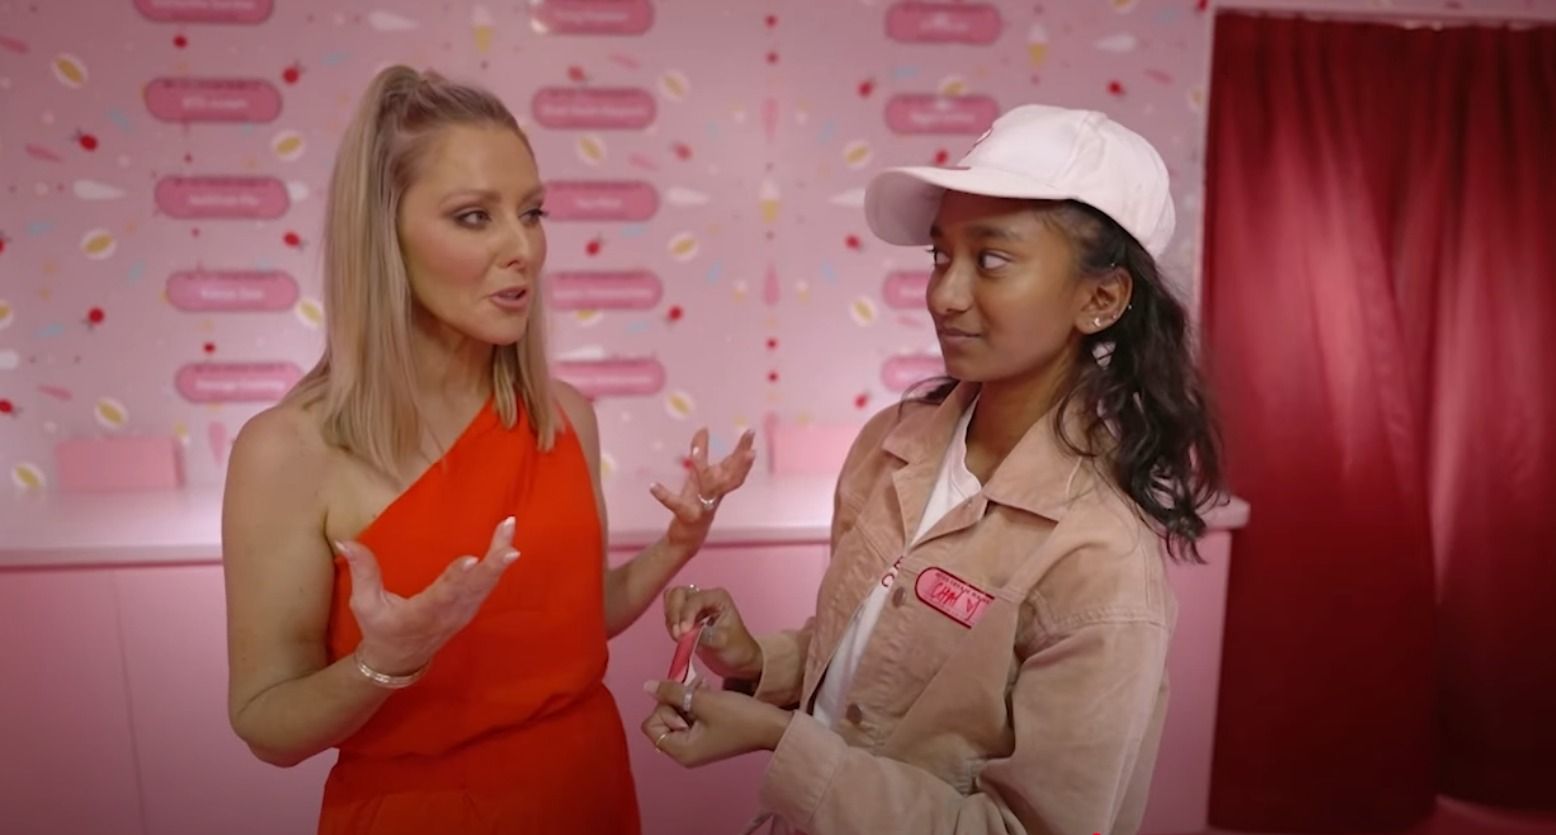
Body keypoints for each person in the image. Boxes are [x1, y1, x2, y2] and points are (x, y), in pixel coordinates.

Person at [641, 104, 1223, 835]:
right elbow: (865, 656)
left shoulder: (1100, 560)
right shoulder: (891, 444)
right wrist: (758, 658)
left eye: (992, 260)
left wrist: (780, 741)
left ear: (1100, 298)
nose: (943, 295)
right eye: (941, 256)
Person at [221, 65, 756, 835]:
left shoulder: (563, 415)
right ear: (383, 236)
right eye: (474, 216)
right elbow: (268, 723)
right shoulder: (287, 451)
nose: (523, 247)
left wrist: (678, 543)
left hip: (591, 792)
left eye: (531, 212)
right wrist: (385, 660)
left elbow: (572, 624)